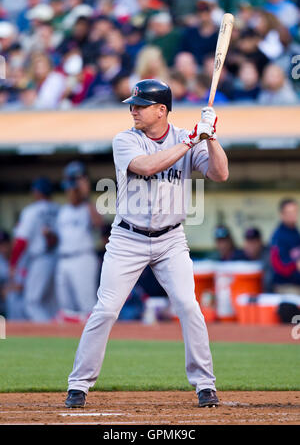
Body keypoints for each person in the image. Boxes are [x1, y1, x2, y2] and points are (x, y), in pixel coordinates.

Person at [65, 78, 229, 409]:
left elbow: (220, 173)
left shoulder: (188, 137)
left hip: (171, 239)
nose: (134, 111)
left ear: (161, 110)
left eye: (140, 106)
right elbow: (147, 166)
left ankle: (205, 385)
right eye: (133, 105)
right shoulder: (126, 139)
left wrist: (211, 139)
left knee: (188, 306)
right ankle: (78, 385)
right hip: (127, 237)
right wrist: (193, 140)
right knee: (106, 309)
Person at [55, 161, 103, 319]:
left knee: (86, 305)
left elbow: (99, 224)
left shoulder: (88, 208)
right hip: (63, 259)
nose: (71, 191)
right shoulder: (63, 211)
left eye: (74, 188)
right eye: (69, 188)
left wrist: (86, 195)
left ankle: (91, 342)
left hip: (83, 258)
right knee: (65, 307)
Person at [9, 177, 59, 321]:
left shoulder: (31, 210)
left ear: (37, 192)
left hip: (41, 260)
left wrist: (13, 264)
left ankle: (49, 333)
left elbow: (21, 241)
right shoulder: (59, 209)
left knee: (32, 302)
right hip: (59, 259)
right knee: (51, 305)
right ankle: (60, 335)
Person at [269, 198, 300, 294]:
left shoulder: (295, 232)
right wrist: (295, 265)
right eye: (288, 212)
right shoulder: (278, 235)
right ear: (282, 214)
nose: (292, 215)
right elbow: (279, 265)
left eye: (294, 211)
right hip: (286, 287)